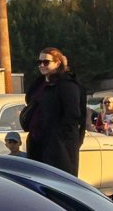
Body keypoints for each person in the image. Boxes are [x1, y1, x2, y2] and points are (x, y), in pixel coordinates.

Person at [22, 48, 84, 176]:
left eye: (46, 62)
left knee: (59, 183)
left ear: (58, 63)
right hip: (37, 141)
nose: (41, 65)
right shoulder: (40, 84)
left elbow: (73, 115)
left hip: (59, 145)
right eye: (39, 62)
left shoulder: (67, 84)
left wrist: (59, 138)